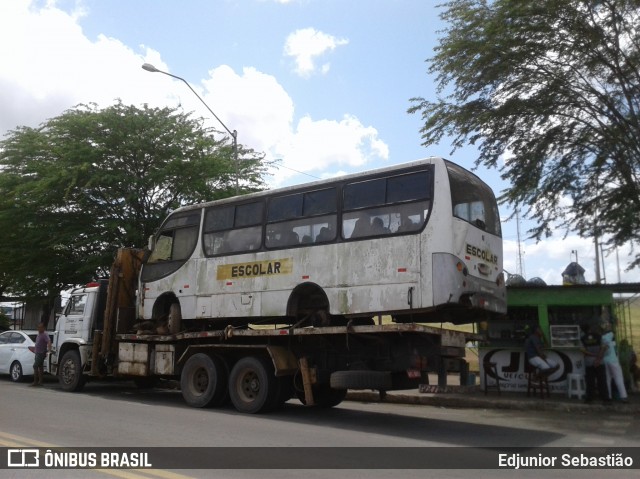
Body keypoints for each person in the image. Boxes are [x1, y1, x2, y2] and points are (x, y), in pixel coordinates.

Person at [580, 324, 610, 404]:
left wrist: (592, 355)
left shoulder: (582, 338)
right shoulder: (599, 336)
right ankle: (605, 399)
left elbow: (583, 350)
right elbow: (604, 347)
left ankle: (589, 399)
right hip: (600, 362)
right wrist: (598, 358)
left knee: (590, 382)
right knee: (602, 381)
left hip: (589, 363)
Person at [600, 322, 629, 403]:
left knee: (607, 379)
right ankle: (623, 396)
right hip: (613, 360)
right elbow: (612, 331)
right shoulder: (609, 335)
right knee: (618, 378)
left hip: (605, 360)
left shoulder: (602, 337)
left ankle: (608, 397)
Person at [30, 322, 51, 387]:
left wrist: (49, 350)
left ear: (43, 328)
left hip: (41, 353)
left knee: (35, 366)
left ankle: (35, 382)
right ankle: (40, 382)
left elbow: (49, 341)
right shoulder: (39, 334)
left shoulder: (45, 334)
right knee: (40, 367)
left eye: (40, 327)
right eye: (38, 327)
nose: (39, 329)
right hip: (37, 352)